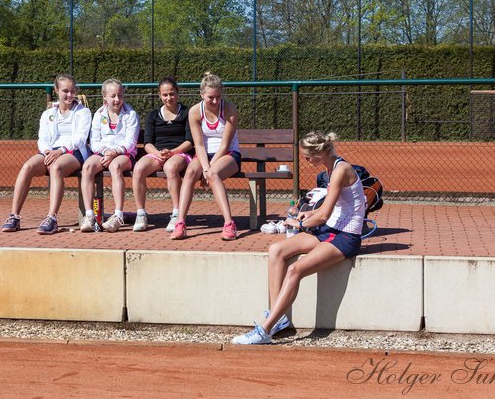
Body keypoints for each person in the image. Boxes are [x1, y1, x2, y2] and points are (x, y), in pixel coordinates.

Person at [232, 131, 366, 345]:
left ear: (319, 153)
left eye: (306, 157)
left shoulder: (341, 169)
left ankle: (264, 331)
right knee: (276, 250)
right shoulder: (331, 167)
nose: (304, 161)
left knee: (296, 269)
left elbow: (325, 214)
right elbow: (330, 209)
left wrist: (301, 223)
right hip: (330, 230)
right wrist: (307, 213)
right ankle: (278, 319)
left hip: (345, 236)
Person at [0, 74, 91, 235]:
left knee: (56, 168)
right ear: (56, 90)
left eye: (72, 91)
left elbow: (80, 139)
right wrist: (47, 151)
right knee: (27, 166)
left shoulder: (83, 112)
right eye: (65, 91)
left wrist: (60, 151)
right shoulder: (48, 113)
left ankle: (52, 218)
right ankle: (14, 216)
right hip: (50, 152)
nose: (69, 95)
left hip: (74, 153)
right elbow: (43, 138)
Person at [172, 71, 241, 241]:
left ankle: (229, 224)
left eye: (218, 96)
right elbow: (199, 144)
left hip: (228, 154)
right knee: (189, 174)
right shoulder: (195, 112)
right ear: (201, 95)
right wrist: (204, 166)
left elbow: (225, 145)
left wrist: (208, 169)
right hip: (204, 155)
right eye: (210, 97)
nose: (215, 101)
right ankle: (180, 223)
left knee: (213, 174)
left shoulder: (230, 109)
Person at [131, 77, 192, 232]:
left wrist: (173, 152)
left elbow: (190, 142)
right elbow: (148, 143)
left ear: (178, 94)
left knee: (171, 168)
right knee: (138, 169)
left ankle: (177, 214)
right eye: (165, 95)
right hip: (158, 154)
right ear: (159, 95)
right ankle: (141, 214)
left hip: (180, 153)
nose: (168, 98)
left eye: (171, 94)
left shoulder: (187, 113)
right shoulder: (153, 115)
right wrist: (157, 153)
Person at [79, 79, 140, 232]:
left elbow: (131, 142)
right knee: (87, 166)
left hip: (124, 154)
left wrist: (115, 152)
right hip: (103, 153)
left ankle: (118, 215)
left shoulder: (131, 114)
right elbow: (94, 141)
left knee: (115, 166)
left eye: (120, 95)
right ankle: (89, 216)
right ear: (104, 97)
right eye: (113, 96)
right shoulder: (99, 114)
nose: (117, 100)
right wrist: (106, 151)